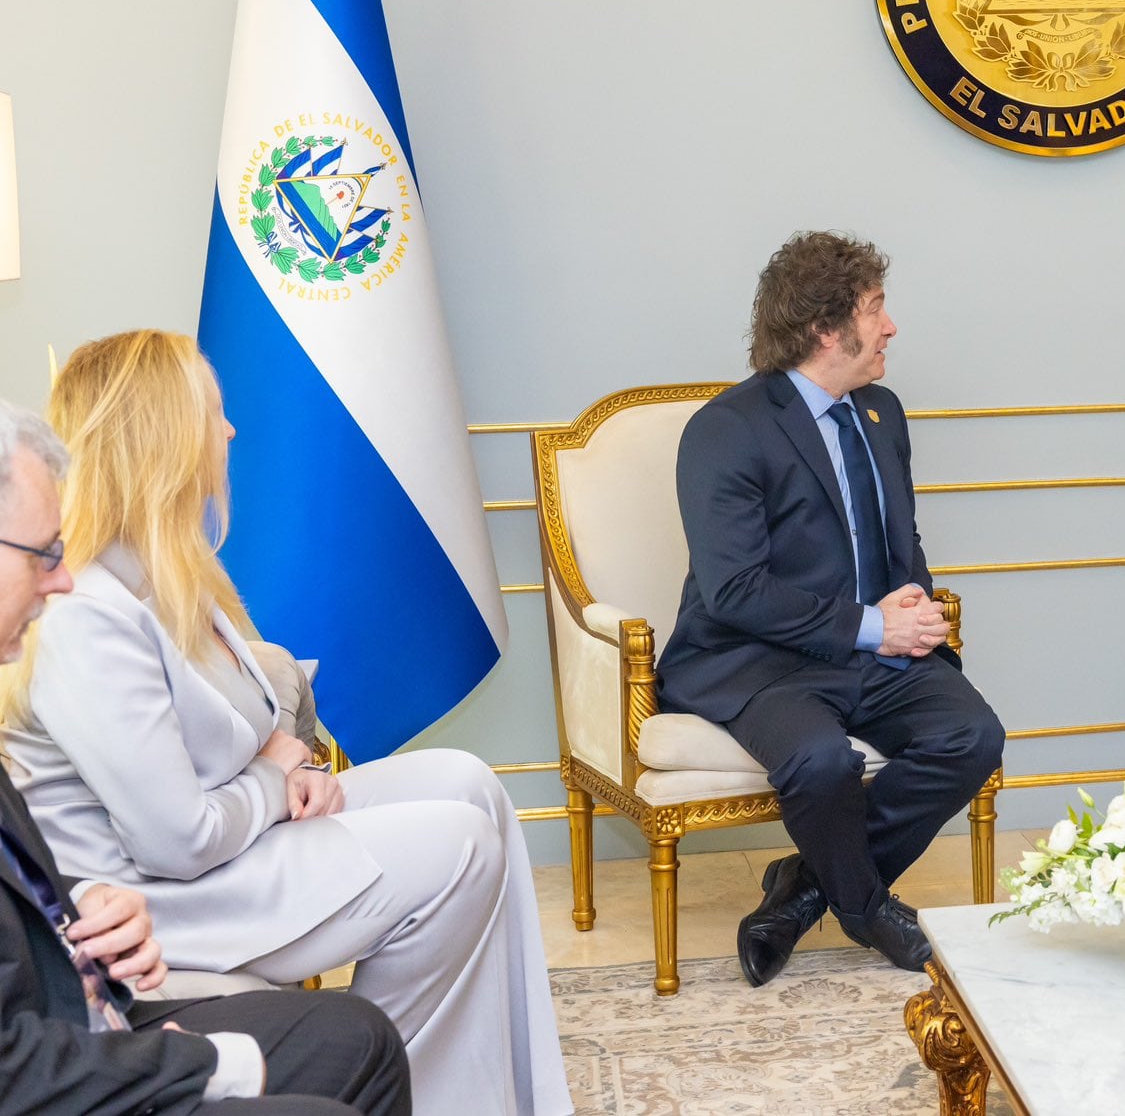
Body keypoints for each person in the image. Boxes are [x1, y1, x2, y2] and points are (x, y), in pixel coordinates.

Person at [0, 334, 570, 1116]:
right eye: (214, 412)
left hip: (229, 847)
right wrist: (274, 775)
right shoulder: (88, 612)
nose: (230, 432)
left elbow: (260, 720)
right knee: (459, 849)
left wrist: (289, 766)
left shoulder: (167, 567)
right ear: (164, 435)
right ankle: (405, 1087)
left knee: (469, 785)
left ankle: (505, 1098)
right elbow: (179, 837)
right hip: (167, 900)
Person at [0, 396, 411, 1114]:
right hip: (54, 1066)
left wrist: (84, 908)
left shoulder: (161, 580)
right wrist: (207, 1061)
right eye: (45, 555)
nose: (62, 580)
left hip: (87, 1017)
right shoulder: (91, 620)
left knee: (360, 1038)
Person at [656, 230, 1006, 986]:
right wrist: (878, 625)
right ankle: (867, 908)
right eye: (875, 309)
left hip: (871, 650)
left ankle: (803, 888)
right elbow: (735, 590)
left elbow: (897, 534)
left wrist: (912, 605)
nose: (890, 327)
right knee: (819, 763)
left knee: (974, 736)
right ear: (825, 328)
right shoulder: (726, 430)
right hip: (759, 659)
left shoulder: (879, 412)